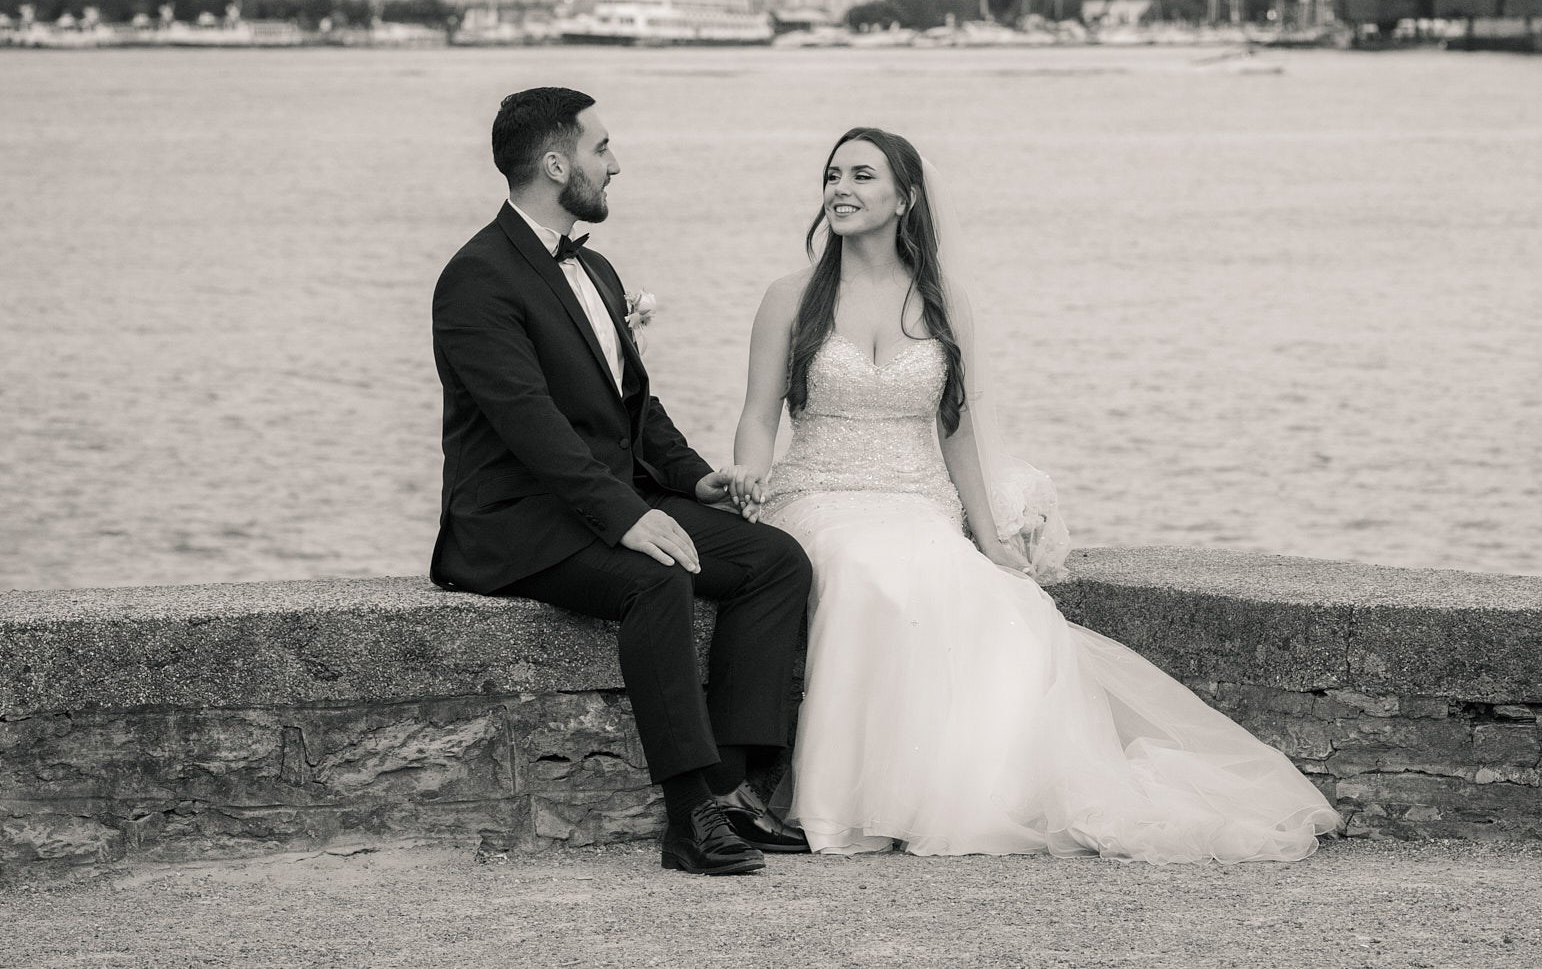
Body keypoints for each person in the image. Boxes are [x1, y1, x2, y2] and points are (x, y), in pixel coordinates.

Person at [726, 127, 1338, 861]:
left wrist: (987, 535)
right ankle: (841, 806)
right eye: (832, 175)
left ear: (904, 197)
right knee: (866, 572)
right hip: (821, 492)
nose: (841, 189)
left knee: (1004, 604)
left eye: (862, 175)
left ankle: (959, 795)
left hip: (915, 498)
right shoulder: (790, 297)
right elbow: (760, 414)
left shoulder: (944, 301)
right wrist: (751, 477)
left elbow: (956, 431)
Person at [430, 87, 812, 876]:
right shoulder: (475, 279)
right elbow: (530, 426)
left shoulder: (595, 267)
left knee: (775, 561)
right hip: (515, 522)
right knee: (656, 575)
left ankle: (734, 788)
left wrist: (698, 481)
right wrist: (628, 519)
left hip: (604, 502)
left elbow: (636, 408)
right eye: (602, 148)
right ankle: (687, 816)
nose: (616, 164)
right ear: (556, 162)